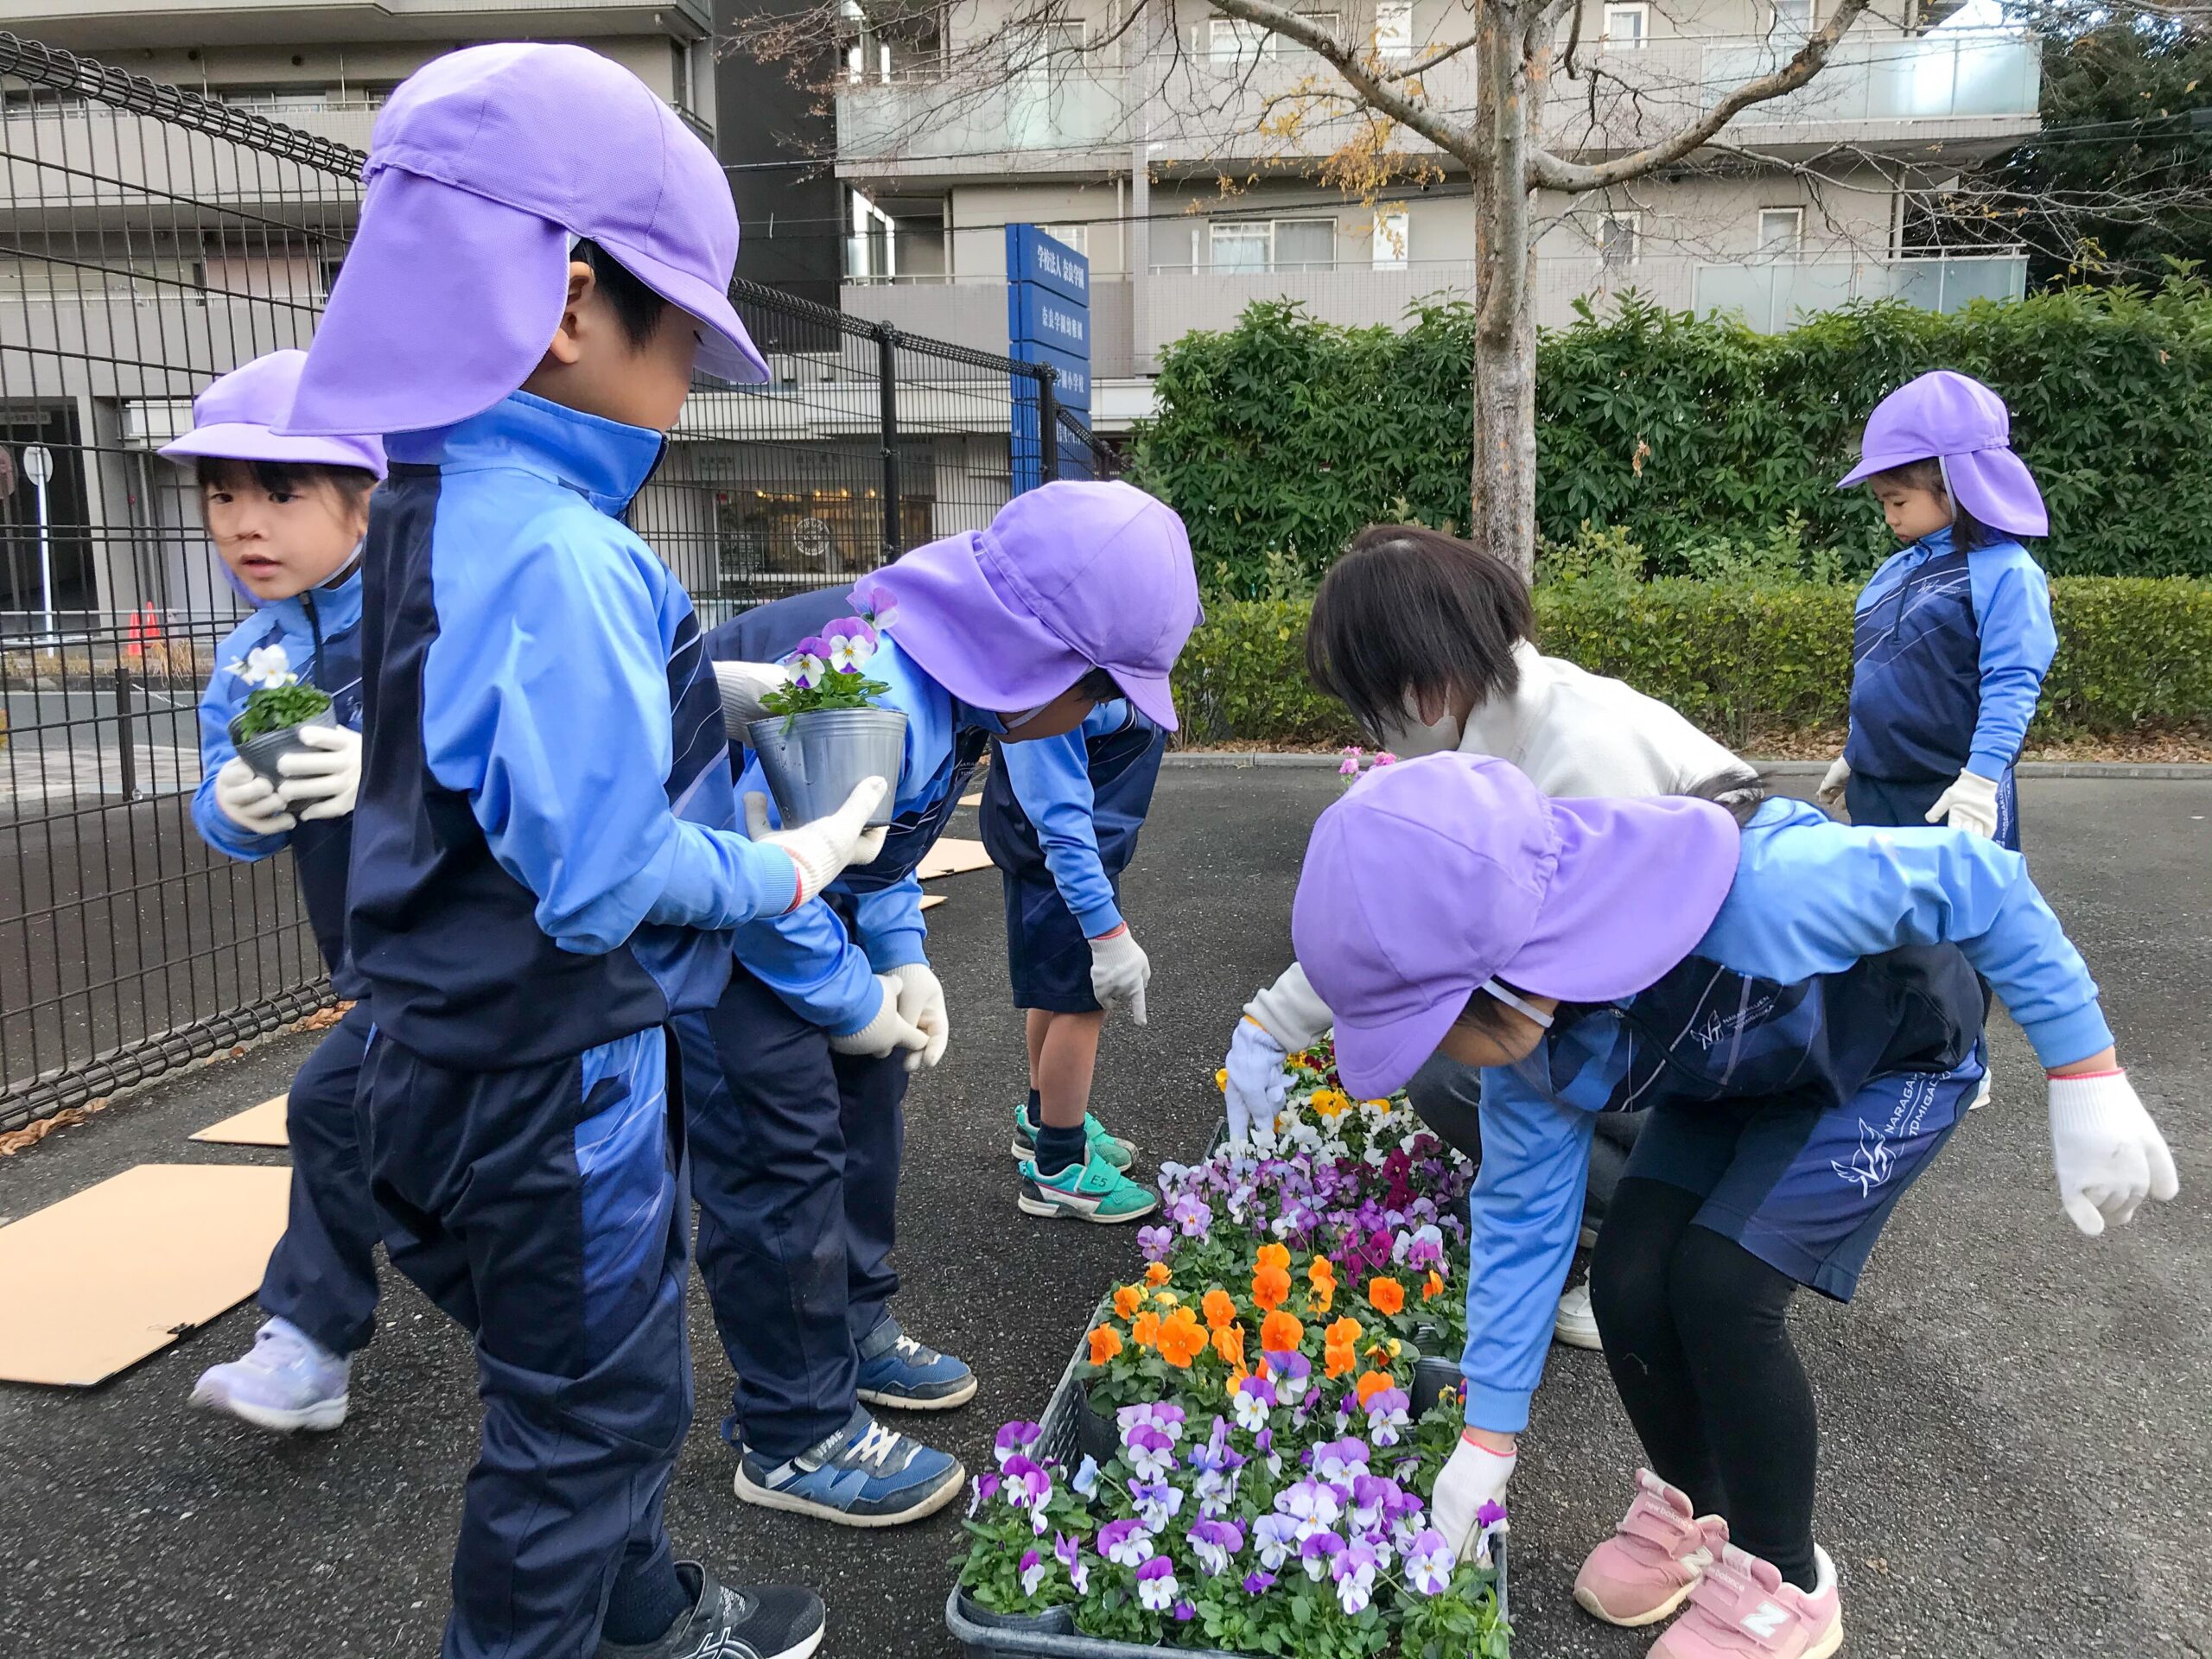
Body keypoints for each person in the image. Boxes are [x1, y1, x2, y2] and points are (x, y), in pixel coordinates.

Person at [279, 44, 885, 1659]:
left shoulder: (412, 512)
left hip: (422, 1058)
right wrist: (798, 860)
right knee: (589, 1421)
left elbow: (491, 754)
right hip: (554, 1084)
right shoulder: (565, 548)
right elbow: (604, 878)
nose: (690, 374)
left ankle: (640, 1609)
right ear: (566, 300)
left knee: (576, 1384)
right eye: (679, 328)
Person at [1294, 752, 2177, 1659]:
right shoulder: (1530, 1047)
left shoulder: (1765, 886)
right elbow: (1522, 1228)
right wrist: (1487, 1441)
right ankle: (1700, 1514)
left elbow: (1980, 883)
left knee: (1722, 1285)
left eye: (1436, 1027)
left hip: (1889, 1055)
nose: (1442, 1056)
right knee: (1627, 1277)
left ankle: (1786, 1582)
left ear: (1502, 965)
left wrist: (2085, 1072)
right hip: (1737, 1077)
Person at [680, 480, 1201, 1525]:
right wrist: (849, 998)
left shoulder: (946, 686)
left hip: (803, 926)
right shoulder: (868, 694)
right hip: (719, 943)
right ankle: (792, 1432)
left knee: (866, 1111)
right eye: (1099, 692)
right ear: (1038, 657)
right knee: (781, 1165)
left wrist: (900, 956)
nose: (1095, 718)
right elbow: (765, 887)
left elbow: (869, 855)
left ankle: (853, 1329)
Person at [1224, 524, 1749, 1349]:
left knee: (1471, 1069)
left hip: (1726, 1024)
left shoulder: (1579, 757)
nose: (1372, 733)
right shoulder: (1496, 729)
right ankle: (1626, 1202)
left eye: (1369, 704)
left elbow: (1572, 973)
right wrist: (1272, 1022)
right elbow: (1398, 918)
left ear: (1425, 686)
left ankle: (1661, 1236)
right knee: (1471, 1057)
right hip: (1670, 1002)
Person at [174, 350, 385, 1433]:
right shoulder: (250, 655)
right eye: (222, 495)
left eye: (280, 491)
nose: (244, 524)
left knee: (334, 1107)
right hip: (367, 956)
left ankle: (307, 1343)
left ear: (365, 498)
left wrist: (388, 775)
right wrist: (234, 807)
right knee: (374, 1121)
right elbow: (221, 803)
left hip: (484, 941)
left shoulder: (424, 617)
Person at [1820, 369, 2056, 854]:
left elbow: (2012, 682)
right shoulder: (1892, 572)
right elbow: (1875, 674)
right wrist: (1855, 753)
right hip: (1874, 786)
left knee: (1964, 904)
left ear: (1954, 483)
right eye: (1882, 502)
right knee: (1879, 904)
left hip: (1955, 791)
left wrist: (1982, 778)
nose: (1889, 516)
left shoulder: (2007, 573)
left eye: (1898, 500)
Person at [982, 683, 1166, 1225]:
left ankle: (1045, 1121)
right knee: (1083, 1003)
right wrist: (1105, 931)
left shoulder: (1085, 672)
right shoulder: (1055, 685)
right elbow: (1058, 817)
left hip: (1064, 859)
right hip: (1066, 864)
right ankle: (1059, 1168)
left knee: (1054, 992)